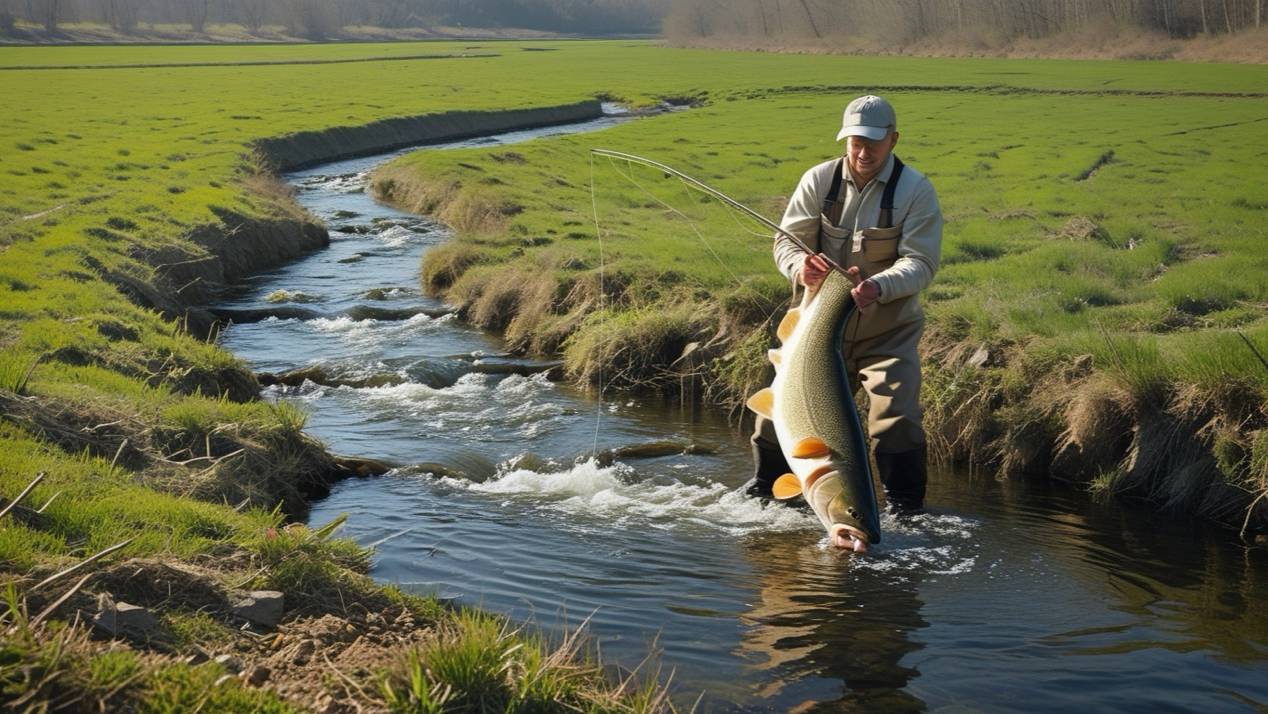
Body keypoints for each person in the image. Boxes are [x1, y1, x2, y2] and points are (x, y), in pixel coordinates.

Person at [748, 95, 943, 512]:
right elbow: (786, 241)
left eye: (873, 142)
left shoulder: (915, 191)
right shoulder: (819, 180)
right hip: (813, 332)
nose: (863, 151)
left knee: (896, 419)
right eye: (855, 141)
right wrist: (801, 267)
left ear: (893, 140)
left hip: (886, 334)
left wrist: (878, 286)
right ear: (844, 139)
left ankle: (904, 510)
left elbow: (922, 262)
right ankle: (765, 492)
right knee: (776, 416)